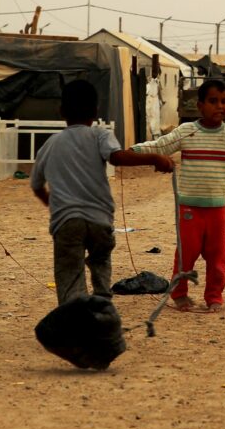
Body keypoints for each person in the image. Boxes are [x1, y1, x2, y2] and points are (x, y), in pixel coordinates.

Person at [31, 80, 174, 305]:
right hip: (100, 221)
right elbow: (116, 157)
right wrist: (154, 158)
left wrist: (52, 203)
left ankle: (74, 313)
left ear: (61, 111)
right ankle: (102, 303)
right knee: (100, 262)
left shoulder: (50, 144)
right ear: (96, 111)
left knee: (69, 272)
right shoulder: (100, 135)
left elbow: (36, 184)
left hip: (66, 222)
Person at [132, 79, 225, 312]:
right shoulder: (188, 131)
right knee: (185, 256)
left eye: (224, 101)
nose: (220, 106)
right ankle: (180, 295)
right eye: (213, 101)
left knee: (218, 257)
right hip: (189, 209)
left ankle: (214, 297)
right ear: (200, 106)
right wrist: (133, 151)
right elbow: (161, 146)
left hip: (217, 210)